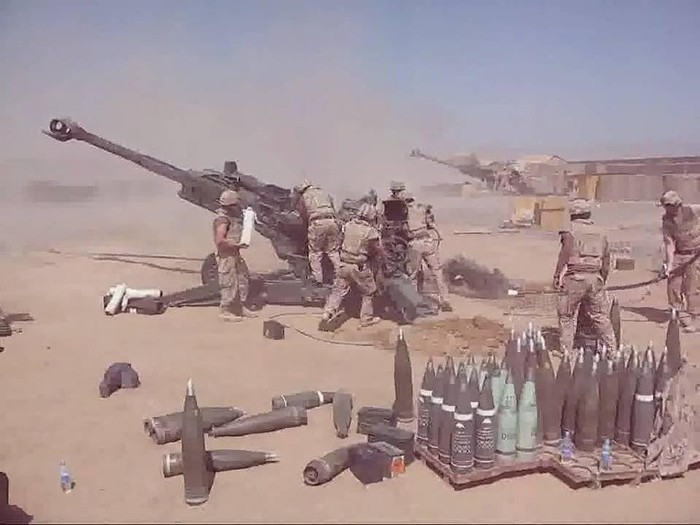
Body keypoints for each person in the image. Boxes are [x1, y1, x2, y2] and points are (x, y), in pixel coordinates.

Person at [552, 198, 616, 354]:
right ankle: (612, 350)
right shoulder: (601, 232)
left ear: (573, 214)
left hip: (575, 277)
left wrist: (557, 275)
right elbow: (606, 259)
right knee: (600, 316)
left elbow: (565, 252)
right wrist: (602, 278)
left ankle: (566, 351)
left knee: (566, 315)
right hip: (595, 278)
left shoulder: (570, 230)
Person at [319, 203, 384, 330]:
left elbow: (339, 241)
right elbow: (375, 250)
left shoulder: (347, 226)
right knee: (368, 292)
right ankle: (366, 319)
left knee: (338, 291)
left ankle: (327, 313)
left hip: (343, 264)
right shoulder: (370, 231)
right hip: (359, 267)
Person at [213, 189, 256, 322]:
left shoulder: (231, 217)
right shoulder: (222, 219)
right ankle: (225, 310)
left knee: (242, 279)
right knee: (229, 282)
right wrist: (237, 244)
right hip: (226, 255)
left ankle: (239, 307)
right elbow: (220, 240)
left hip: (234, 253)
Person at [404, 193, 453, 312]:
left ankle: (414, 301)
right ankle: (445, 300)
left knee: (413, 275)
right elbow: (431, 224)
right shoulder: (421, 209)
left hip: (414, 244)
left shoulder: (403, 212)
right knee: (437, 272)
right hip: (427, 242)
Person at [660, 190, 700, 332]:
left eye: (669, 206)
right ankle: (675, 316)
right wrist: (669, 265)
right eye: (665, 206)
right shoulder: (667, 220)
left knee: (692, 288)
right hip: (680, 254)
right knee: (673, 284)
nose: (666, 208)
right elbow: (669, 243)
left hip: (696, 254)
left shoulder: (694, 211)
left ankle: (695, 319)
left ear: (677, 205)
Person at [292, 180, 341, 284]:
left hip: (317, 223)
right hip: (332, 222)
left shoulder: (305, 196)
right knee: (333, 252)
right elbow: (334, 208)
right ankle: (340, 276)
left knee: (315, 253)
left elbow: (303, 215)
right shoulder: (324, 193)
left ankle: (318, 279)